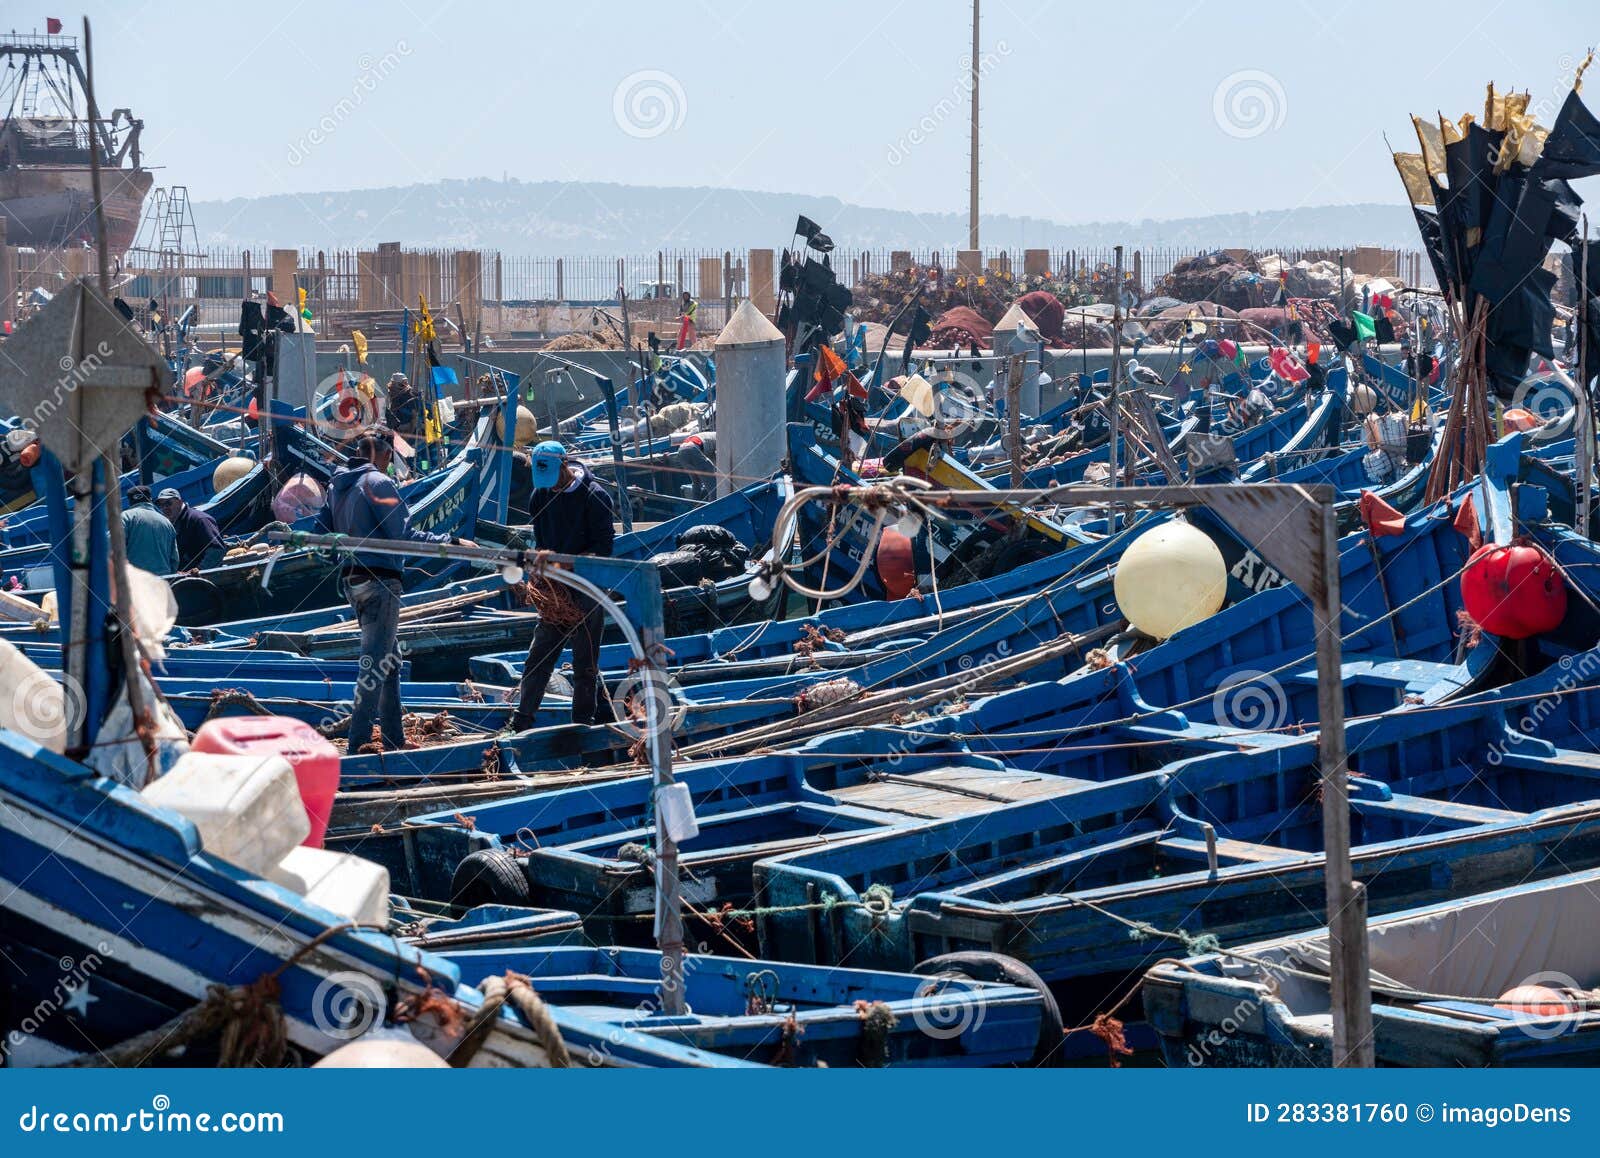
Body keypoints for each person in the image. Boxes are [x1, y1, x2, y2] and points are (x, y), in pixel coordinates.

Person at [317, 425, 475, 752]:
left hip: (352, 581)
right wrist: (454, 542)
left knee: (390, 661)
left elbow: (323, 532)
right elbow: (404, 537)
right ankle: (358, 744)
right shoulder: (379, 482)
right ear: (386, 453)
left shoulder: (337, 485)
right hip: (379, 581)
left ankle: (393, 738)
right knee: (375, 665)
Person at [508, 441, 617, 731]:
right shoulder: (539, 495)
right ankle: (520, 723)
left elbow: (603, 551)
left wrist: (565, 563)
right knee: (538, 658)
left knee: (585, 665)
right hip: (555, 593)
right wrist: (540, 569)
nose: (550, 487)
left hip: (587, 591)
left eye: (553, 479)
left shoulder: (595, 497)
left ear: (565, 464)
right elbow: (541, 541)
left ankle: (583, 726)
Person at [156, 487, 225, 571]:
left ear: (179, 502)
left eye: (168, 503)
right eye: (161, 505)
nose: (164, 508)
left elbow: (216, 550)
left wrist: (198, 570)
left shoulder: (200, 519)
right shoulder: (172, 523)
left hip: (201, 577)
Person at [121, 485, 177, 575]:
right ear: (150, 500)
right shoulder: (166, 522)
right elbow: (174, 560)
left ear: (130, 501)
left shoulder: (125, 517)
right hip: (163, 582)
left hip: (136, 581)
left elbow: (110, 548)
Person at [386, 371, 419, 437]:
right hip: (396, 428)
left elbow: (414, 418)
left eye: (405, 383)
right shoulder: (394, 397)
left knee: (446, 438)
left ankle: (446, 441)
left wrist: (409, 435)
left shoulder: (410, 397)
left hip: (408, 430)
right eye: (402, 384)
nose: (405, 386)